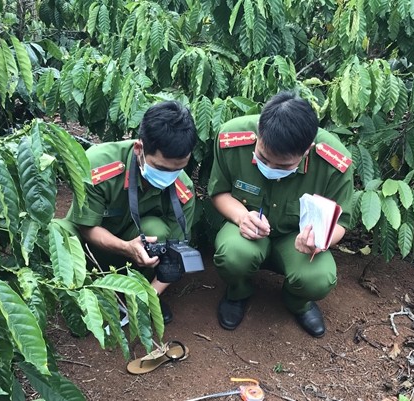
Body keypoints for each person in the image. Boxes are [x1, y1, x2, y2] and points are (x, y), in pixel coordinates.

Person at [207, 91, 354, 337]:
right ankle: (238, 292)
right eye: (263, 158)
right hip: (247, 230)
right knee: (233, 254)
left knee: (318, 278)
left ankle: (297, 301)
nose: (270, 169)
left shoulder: (334, 162)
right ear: (259, 133)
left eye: (284, 165)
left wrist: (318, 240)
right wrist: (242, 217)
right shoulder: (232, 138)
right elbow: (219, 192)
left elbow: (341, 223)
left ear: (307, 150)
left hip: (296, 240)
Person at [60, 100, 198, 324]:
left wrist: (148, 299)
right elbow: (86, 226)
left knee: (158, 231)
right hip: (90, 247)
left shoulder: (183, 190)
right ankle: (79, 291)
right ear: (139, 149)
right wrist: (126, 248)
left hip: (137, 257)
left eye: (178, 169)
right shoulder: (98, 165)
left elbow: (176, 253)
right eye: (162, 168)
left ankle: (135, 290)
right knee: (59, 232)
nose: (169, 177)